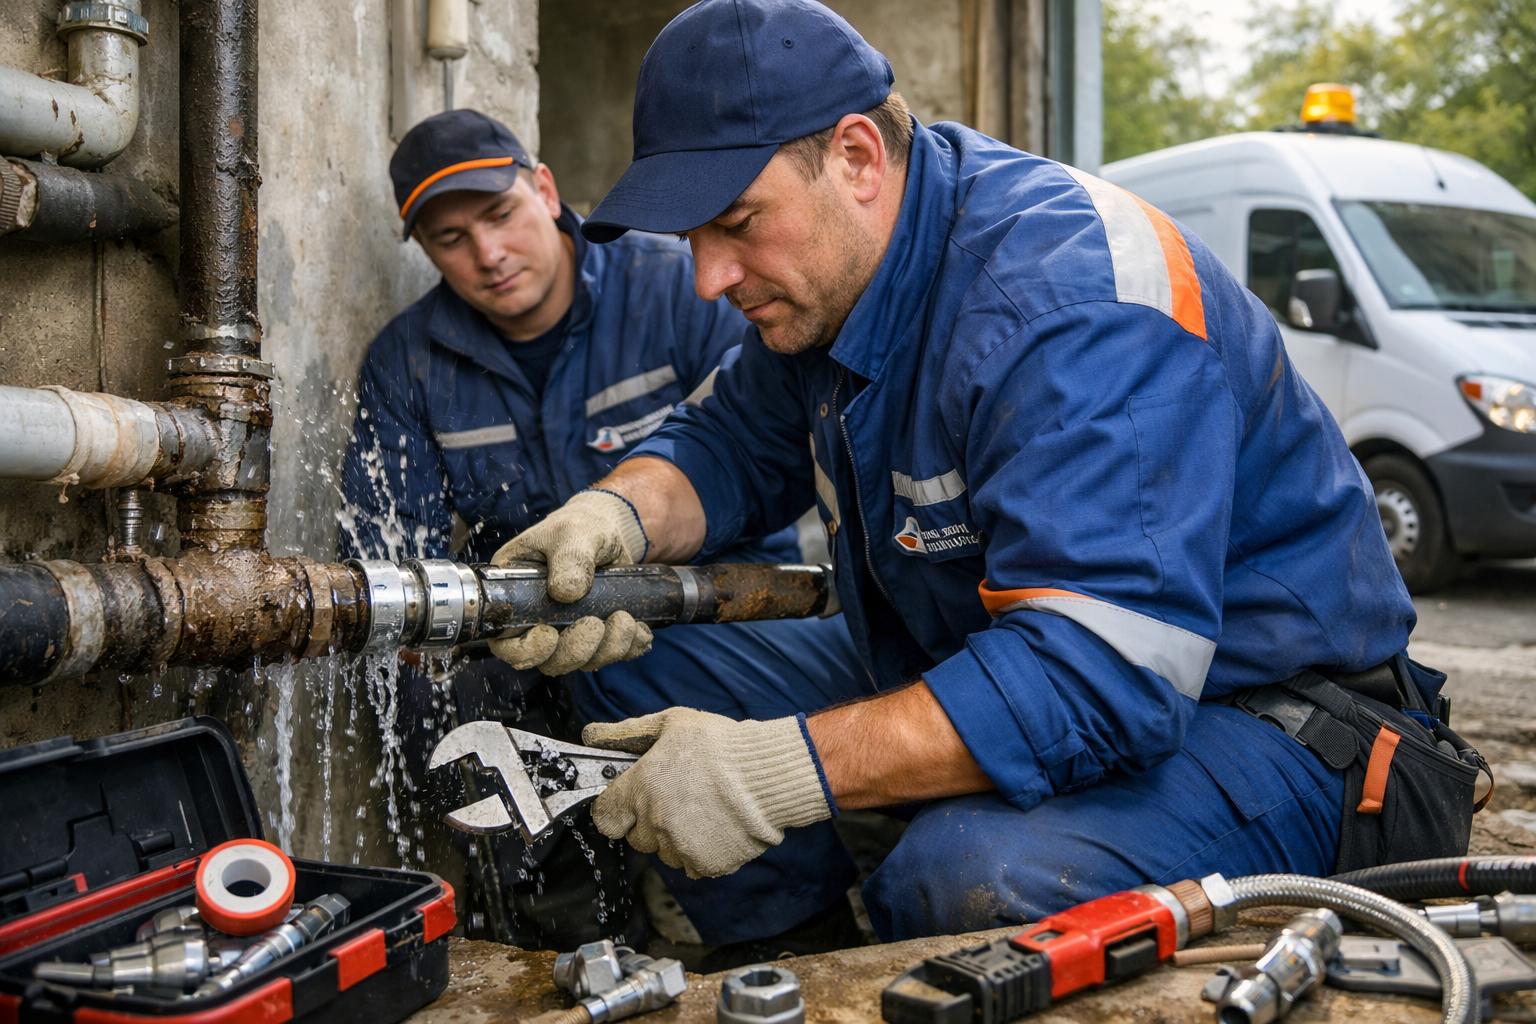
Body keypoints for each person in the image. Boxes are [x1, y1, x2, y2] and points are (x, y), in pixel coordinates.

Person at [487, 0, 1476, 942]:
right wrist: (611, 519)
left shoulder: (1068, 307)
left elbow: (1101, 675)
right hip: (980, 652)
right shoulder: (833, 287)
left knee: (965, 876)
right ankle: (801, 965)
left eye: (737, 222)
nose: (707, 275)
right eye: (690, 238)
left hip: (1276, 725)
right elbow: (726, 447)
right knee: (646, 647)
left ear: (858, 159)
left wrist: (783, 768)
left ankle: (900, 926)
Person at [340, 109, 864, 952]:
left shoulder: (683, 290)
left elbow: (766, 464)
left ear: (544, 190)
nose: (489, 255)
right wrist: (448, 645)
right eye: (450, 238)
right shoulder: (410, 362)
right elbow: (390, 548)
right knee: (440, 690)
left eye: (500, 214)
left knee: (653, 656)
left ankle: (784, 933)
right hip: (531, 621)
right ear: (427, 252)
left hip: (721, 610)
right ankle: (563, 937)